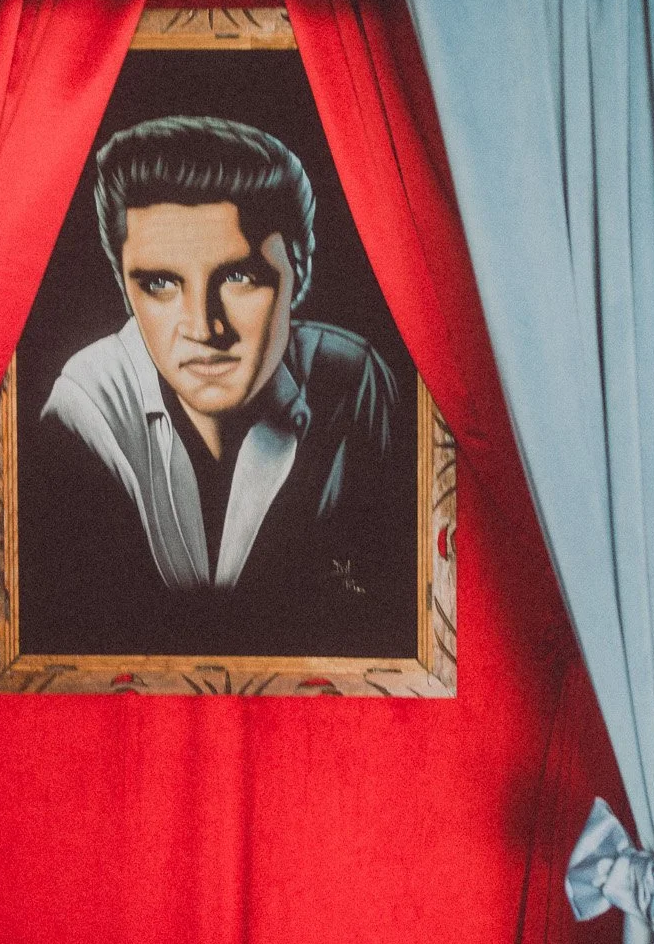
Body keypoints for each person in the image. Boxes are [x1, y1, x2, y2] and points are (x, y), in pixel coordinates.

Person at [20, 115, 411, 660]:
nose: (204, 327)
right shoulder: (85, 408)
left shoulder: (354, 384)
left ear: (299, 271)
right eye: (159, 284)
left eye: (238, 277)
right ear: (123, 287)